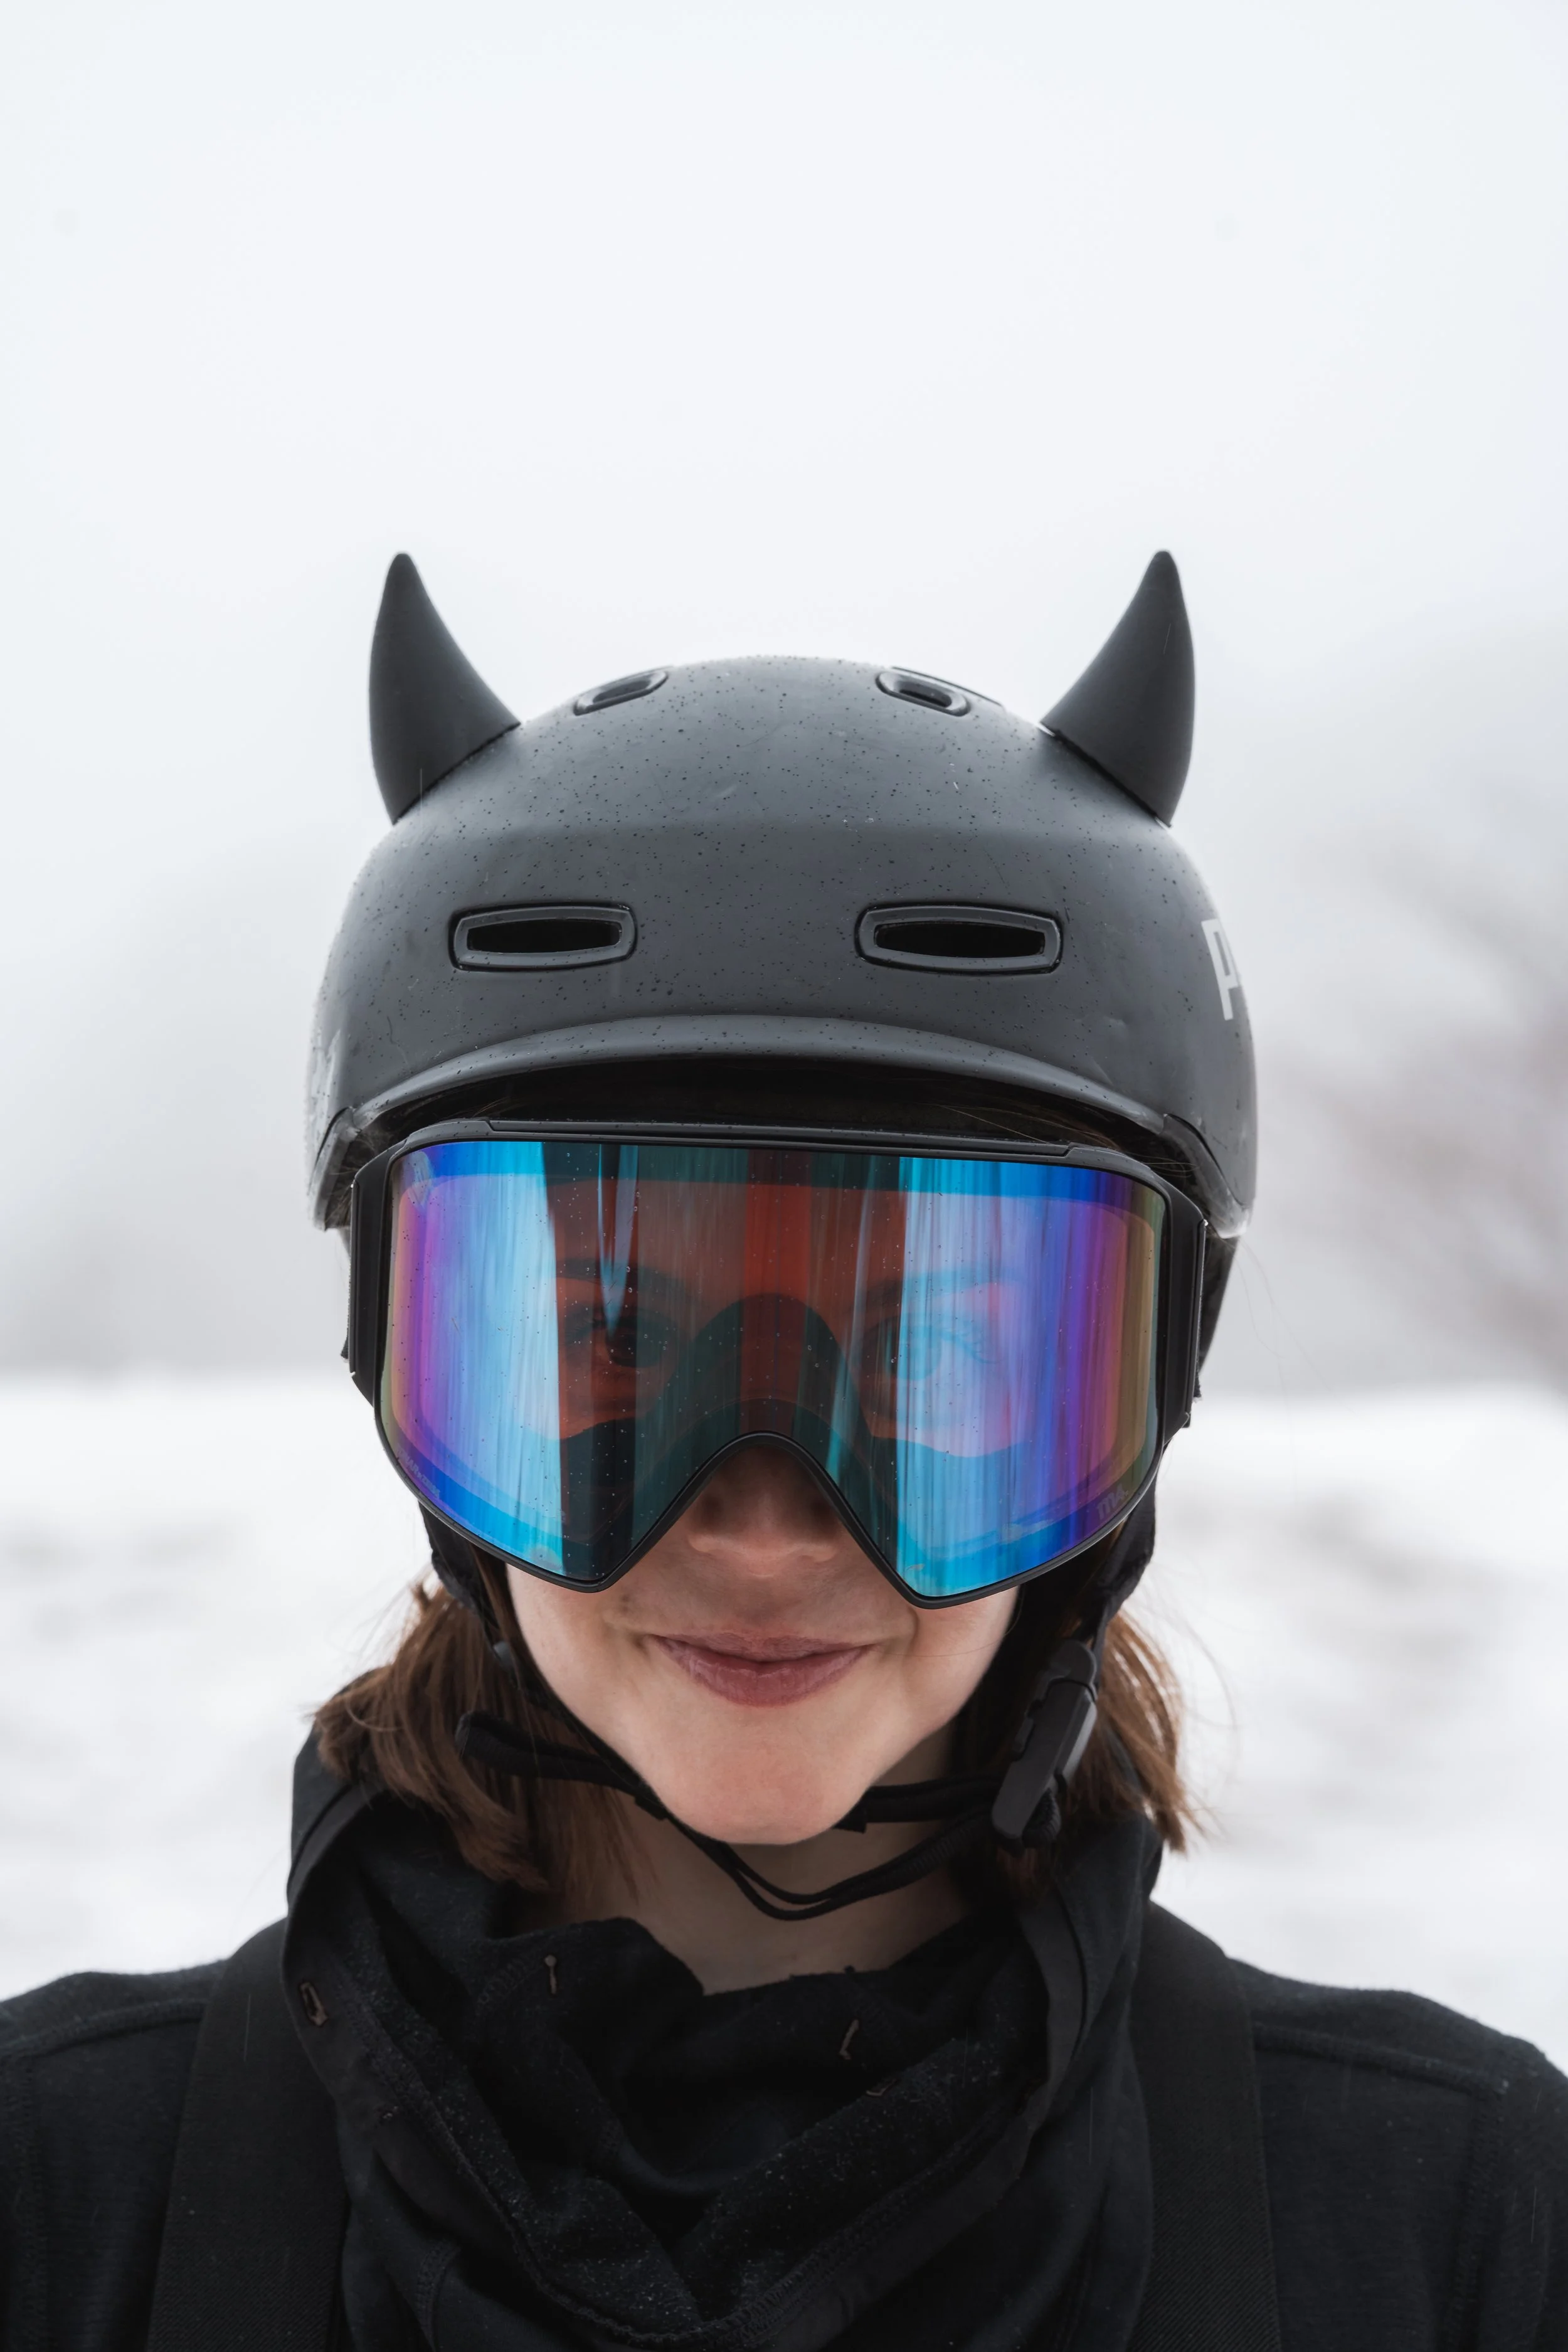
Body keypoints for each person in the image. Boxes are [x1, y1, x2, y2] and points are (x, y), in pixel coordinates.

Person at [2, 556, 1563, 2352]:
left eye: (932, 1354)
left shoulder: (1453, 2233)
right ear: (407, 1370)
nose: (759, 1522)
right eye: (606, 1344)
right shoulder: (61, 2196)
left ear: (1141, 1392)